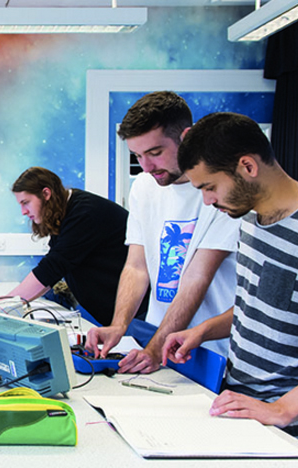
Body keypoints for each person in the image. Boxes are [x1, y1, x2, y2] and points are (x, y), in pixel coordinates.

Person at [163, 112, 298, 443]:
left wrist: (282, 409)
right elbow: (257, 307)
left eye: (210, 186)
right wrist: (203, 330)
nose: (207, 200)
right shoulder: (250, 220)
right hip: (239, 409)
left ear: (247, 166)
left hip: (290, 434)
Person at [85, 91, 241, 373]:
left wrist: (155, 350)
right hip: (157, 338)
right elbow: (136, 266)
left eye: (155, 153)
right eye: (137, 155)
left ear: (186, 137)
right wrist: (119, 325)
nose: (146, 166)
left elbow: (197, 276)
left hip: (209, 351)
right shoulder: (143, 187)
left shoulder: (220, 190)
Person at [0, 166, 132, 326]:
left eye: (26, 203)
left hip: (130, 313)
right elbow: (51, 269)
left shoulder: (84, 213)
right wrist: (3, 301)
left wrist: (3, 304)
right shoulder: (68, 210)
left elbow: (52, 268)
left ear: (46, 194)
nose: (23, 212)